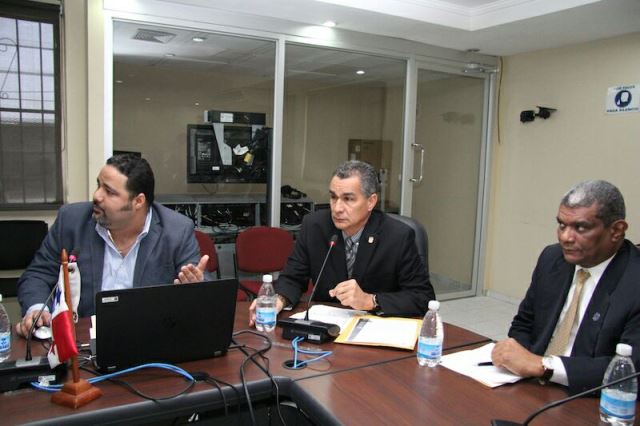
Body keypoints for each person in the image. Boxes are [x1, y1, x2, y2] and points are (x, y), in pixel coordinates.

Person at [16, 154, 209, 337]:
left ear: (138, 201)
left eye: (109, 192)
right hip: (83, 341)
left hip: (150, 338)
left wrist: (196, 289)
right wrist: (37, 309)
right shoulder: (72, 221)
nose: (97, 196)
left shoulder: (176, 231)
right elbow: (37, 275)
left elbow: (201, 285)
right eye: (98, 185)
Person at [491, 180, 640, 395]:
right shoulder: (552, 258)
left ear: (616, 230)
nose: (565, 237)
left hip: (592, 396)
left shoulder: (633, 280)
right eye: (562, 225)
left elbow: (630, 370)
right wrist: (518, 359)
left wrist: (544, 366)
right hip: (531, 384)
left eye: (580, 228)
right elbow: (524, 323)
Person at [249, 160, 435, 326]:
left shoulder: (398, 236)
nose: (337, 208)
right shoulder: (314, 226)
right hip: (325, 327)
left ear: (371, 202)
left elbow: (422, 297)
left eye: (348, 199)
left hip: (375, 328)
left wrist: (371, 300)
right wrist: (277, 300)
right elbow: (292, 278)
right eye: (333, 197)